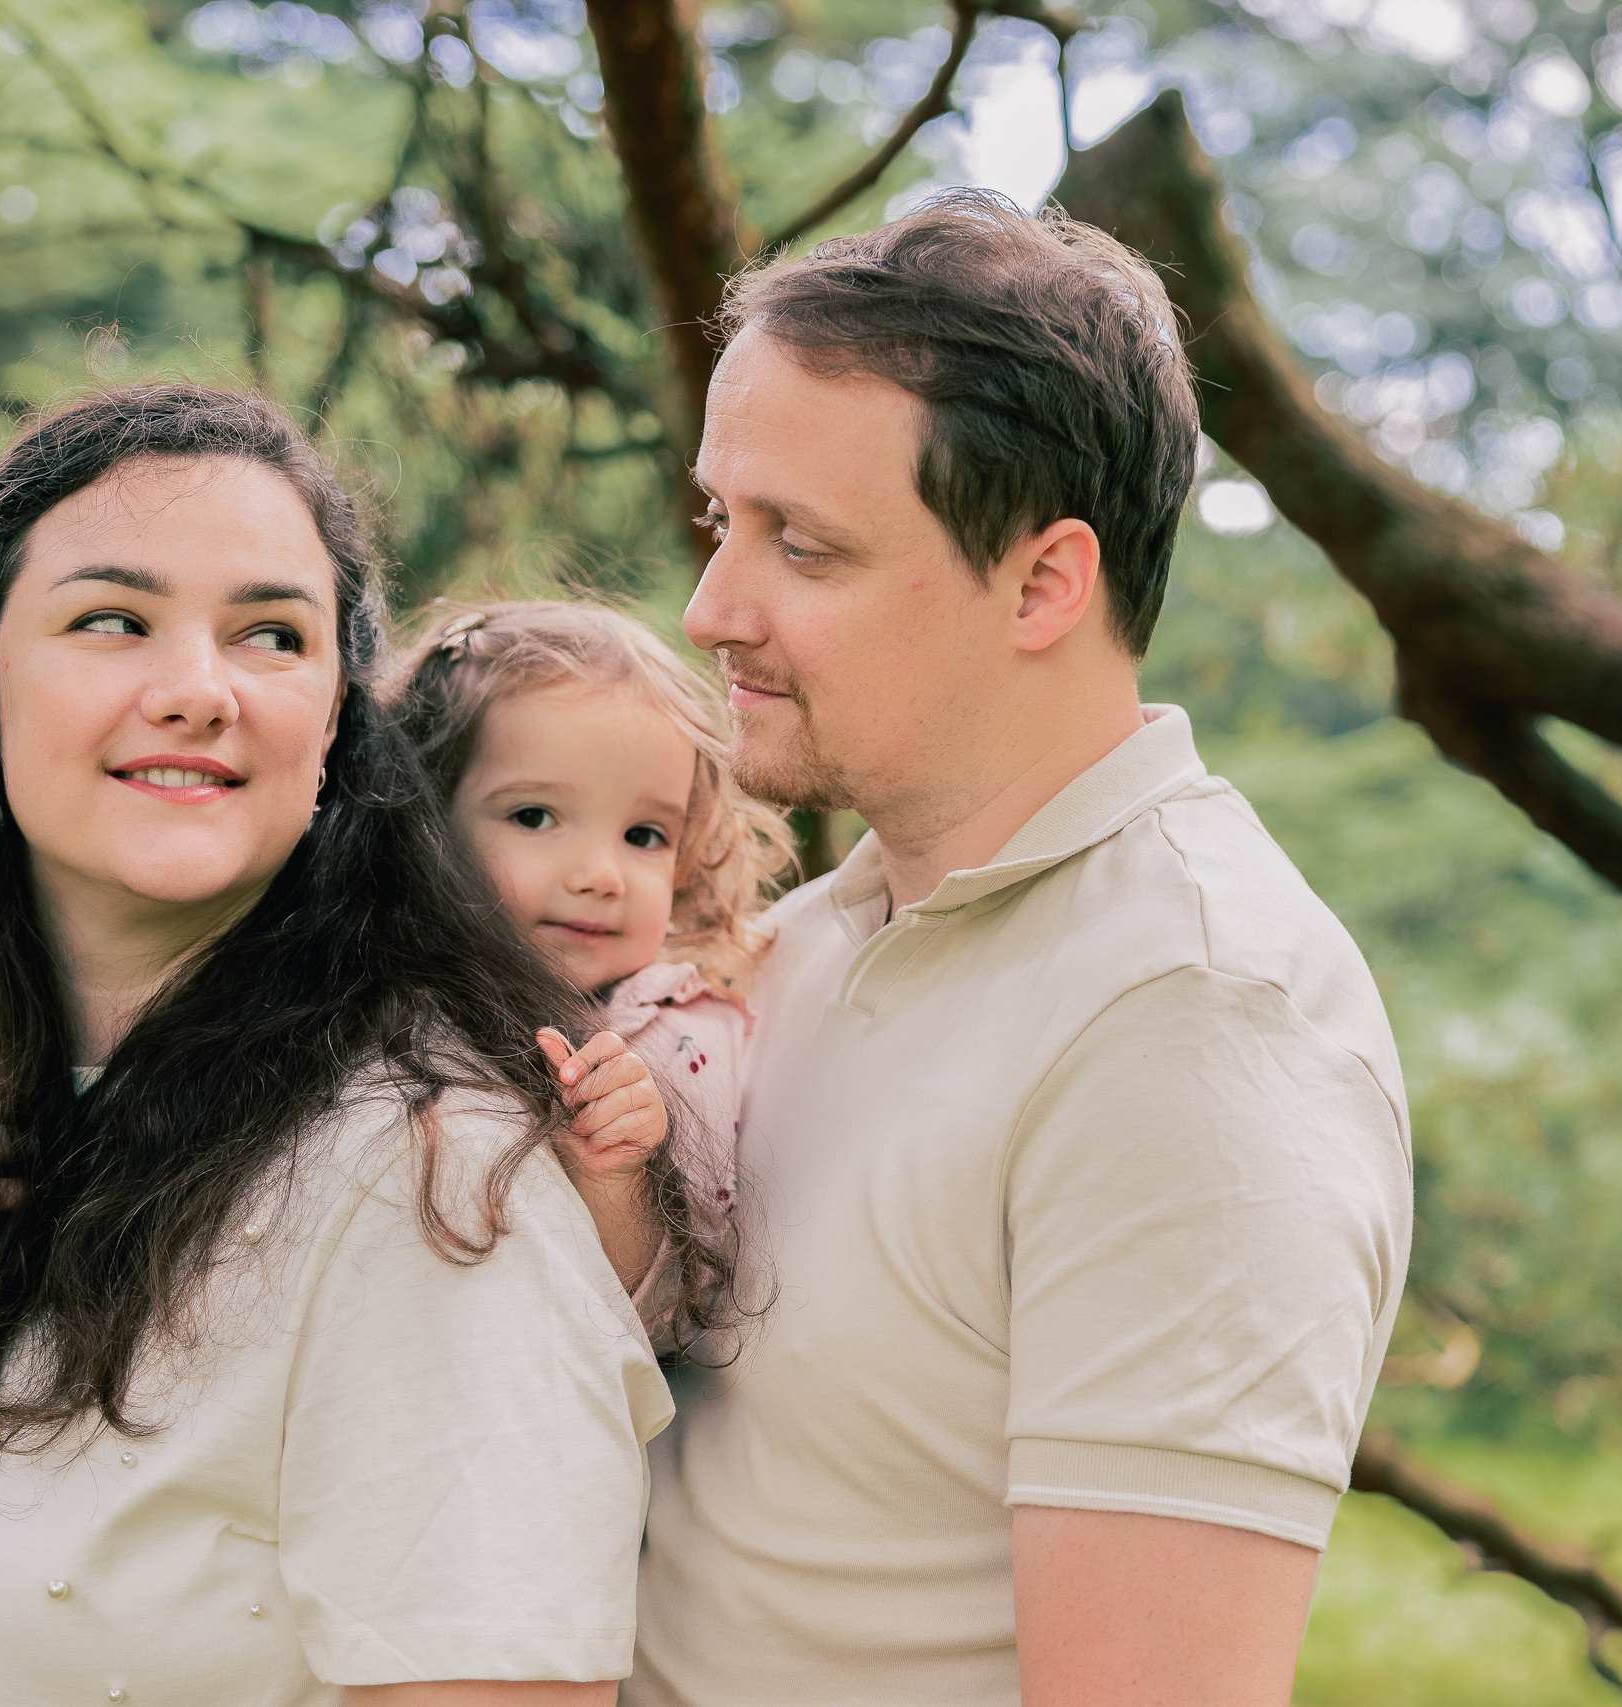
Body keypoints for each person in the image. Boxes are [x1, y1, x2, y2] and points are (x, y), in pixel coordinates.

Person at [0, 384, 687, 1707]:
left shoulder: (432, 1182)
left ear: (334, 727)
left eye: (270, 634)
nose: (198, 691)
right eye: (113, 619)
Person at [630, 192, 1415, 1704]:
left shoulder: (1193, 1021)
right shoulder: (809, 937)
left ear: (1045, 583)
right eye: (722, 520)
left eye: (803, 545)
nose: (710, 605)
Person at [384, 600, 792, 1334]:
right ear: (426, 823)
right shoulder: (371, 994)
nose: (602, 876)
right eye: (534, 816)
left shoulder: (675, 1036)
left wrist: (617, 1178)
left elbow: (677, 1315)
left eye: (644, 834)